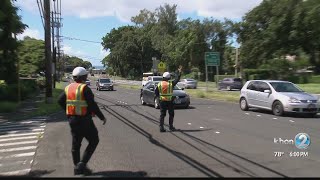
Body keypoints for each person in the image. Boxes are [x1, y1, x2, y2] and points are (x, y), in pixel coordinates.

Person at [58, 67, 107, 175]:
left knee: (76, 144)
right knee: (94, 140)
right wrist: (102, 117)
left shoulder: (68, 88)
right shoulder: (85, 88)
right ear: (84, 77)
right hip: (85, 120)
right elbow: (92, 105)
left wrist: (68, 112)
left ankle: (77, 167)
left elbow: (60, 100)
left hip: (73, 120)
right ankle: (82, 164)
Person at [155, 66, 182, 132]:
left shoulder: (159, 84)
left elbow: (156, 93)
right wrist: (179, 72)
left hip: (162, 101)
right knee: (171, 114)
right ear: (169, 78)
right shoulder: (170, 84)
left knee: (162, 114)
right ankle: (171, 127)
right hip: (170, 101)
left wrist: (159, 99)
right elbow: (177, 79)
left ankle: (161, 127)